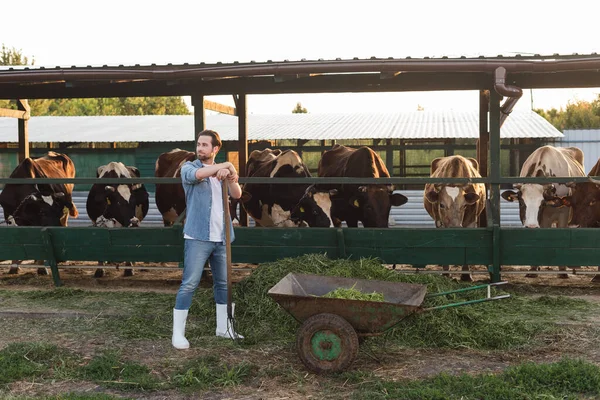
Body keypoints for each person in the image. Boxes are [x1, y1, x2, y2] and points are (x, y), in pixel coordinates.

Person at [172, 129, 244, 350]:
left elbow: (237, 194)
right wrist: (226, 166)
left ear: (215, 149)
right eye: (198, 144)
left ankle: (223, 328)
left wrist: (229, 173)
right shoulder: (189, 167)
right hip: (198, 237)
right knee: (189, 283)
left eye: (205, 145)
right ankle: (178, 335)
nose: (200, 148)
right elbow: (197, 176)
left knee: (223, 284)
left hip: (221, 238)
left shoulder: (222, 171)